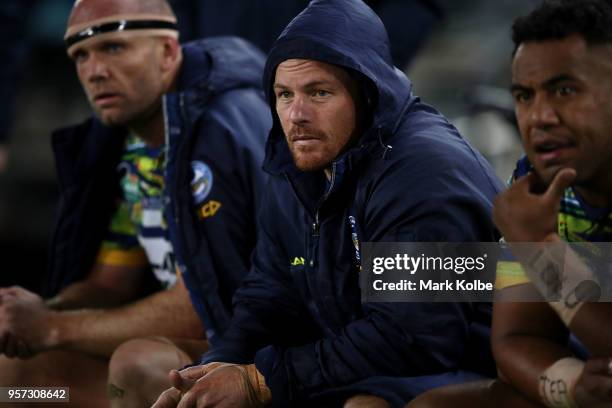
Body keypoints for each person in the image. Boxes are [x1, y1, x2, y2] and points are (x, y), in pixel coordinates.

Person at [152, 0, 502, 407]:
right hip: (369, 361)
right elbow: (269, 294)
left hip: (474, 365)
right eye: (284, 95)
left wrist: (259, 380)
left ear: (366, 93)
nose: (296, 114)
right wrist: (220, 366)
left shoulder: (422, 170)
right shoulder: (296, 166)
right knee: (153, 373)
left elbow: (411, 335)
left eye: (319, 92)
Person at [0, 0, 270, 406]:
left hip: (256, 361)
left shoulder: (220, 128)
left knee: (139, 365)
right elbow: (110, 283)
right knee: (18, 381)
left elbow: (199, 304)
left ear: (167, 52)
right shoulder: (137, 150)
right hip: (193, 348)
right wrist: (31, 312)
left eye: (114, 48)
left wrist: (53, 327)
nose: (95, 71)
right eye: (81, 55)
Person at [408, 1, 612, 407]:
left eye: (565, 90)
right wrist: (571, 385)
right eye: (524, 95)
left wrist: (540, 247)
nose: (539, 116)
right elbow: (519, 338)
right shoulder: (533, 180)